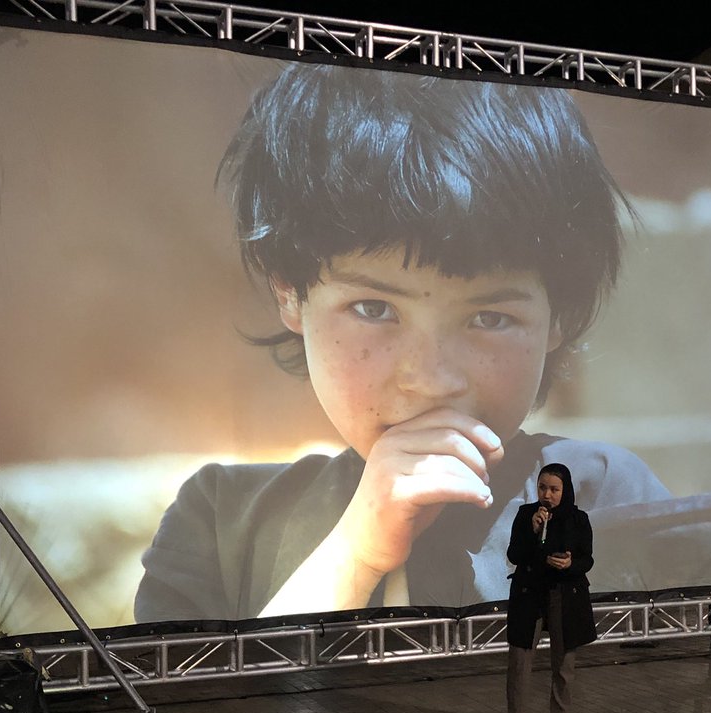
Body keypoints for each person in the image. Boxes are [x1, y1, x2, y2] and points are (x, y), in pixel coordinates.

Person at [132, 62, 670, 625]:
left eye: (489, 316)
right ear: (289, 291)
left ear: (559, 313)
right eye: (374, 309)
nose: (433, 378)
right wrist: (354, 555)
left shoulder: (598, 493)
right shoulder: (222, 523)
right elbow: (191, 712)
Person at [504, 463, 596, 713]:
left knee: (563, 666)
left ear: (565, 490)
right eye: (542, 487)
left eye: (554, 489)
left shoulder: (578, 519)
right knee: (519, 663)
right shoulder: (525, 515)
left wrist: (570, 564)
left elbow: (587, 559)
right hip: (529, 595)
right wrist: (532, 530)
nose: (547, 494)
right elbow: (514, 555)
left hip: (564, 596)